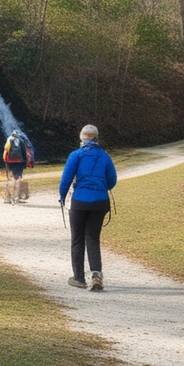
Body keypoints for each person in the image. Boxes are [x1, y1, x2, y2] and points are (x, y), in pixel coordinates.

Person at [58, 124, 117, 291]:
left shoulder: (76, 155)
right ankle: (96, 275)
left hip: (79, 202)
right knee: (92, 238)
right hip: (100, 202)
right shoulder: (105, 156)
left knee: (77, 238)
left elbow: (66, 179)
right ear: (97, 138)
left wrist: (62, 197)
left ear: (81, 139)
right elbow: (112, 180)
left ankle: (78, 278)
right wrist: (101, 186)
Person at [2, 129, 34, 204]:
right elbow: (24, 153)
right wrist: (25, 162)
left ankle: (7, 198)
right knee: (17, 179)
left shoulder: (9, 140)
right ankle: (16, 198)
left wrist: (5, 161)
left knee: (9, 179)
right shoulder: (21, 141)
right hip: (19, 162)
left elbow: (5, 151)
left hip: (9, 162)